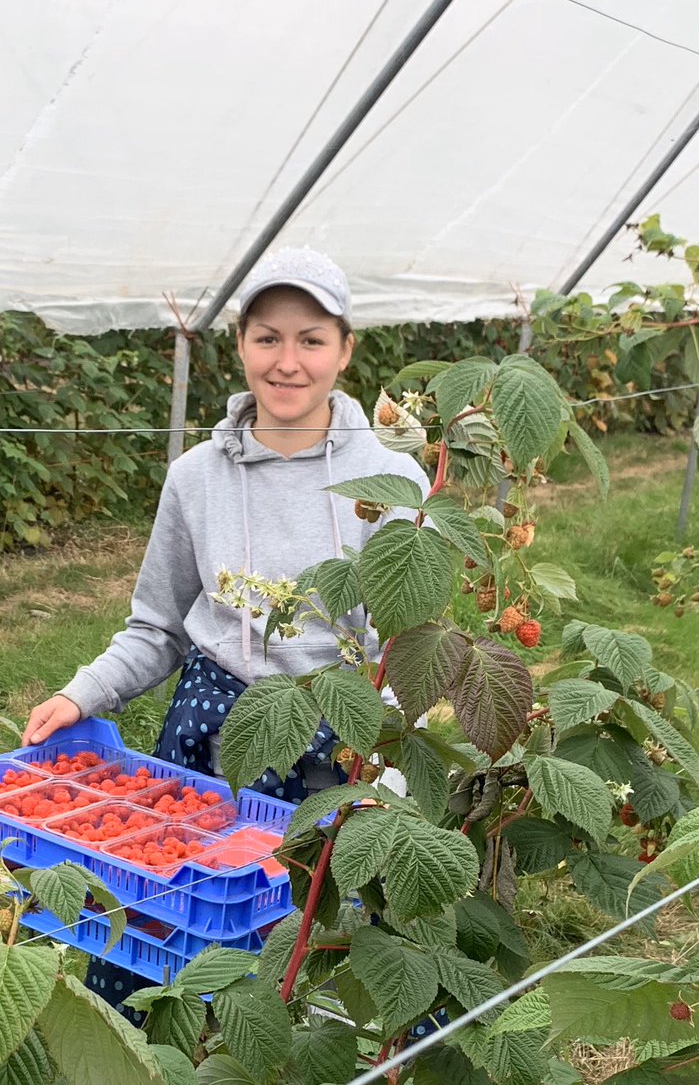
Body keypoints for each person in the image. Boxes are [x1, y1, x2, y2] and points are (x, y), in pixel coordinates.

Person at [21, 246, 429, 1014]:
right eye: (267, 336)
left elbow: (406, 646)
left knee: (308, 942)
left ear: (345, 349)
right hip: (211, 737)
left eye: (311, 338)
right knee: (167, 927)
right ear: (239, 345)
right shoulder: (197, 477)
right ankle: (161, 1044)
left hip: (334, 743)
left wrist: (394, 764)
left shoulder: (394, 483)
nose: (287, 360)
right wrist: (82, 695)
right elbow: (158, 625)